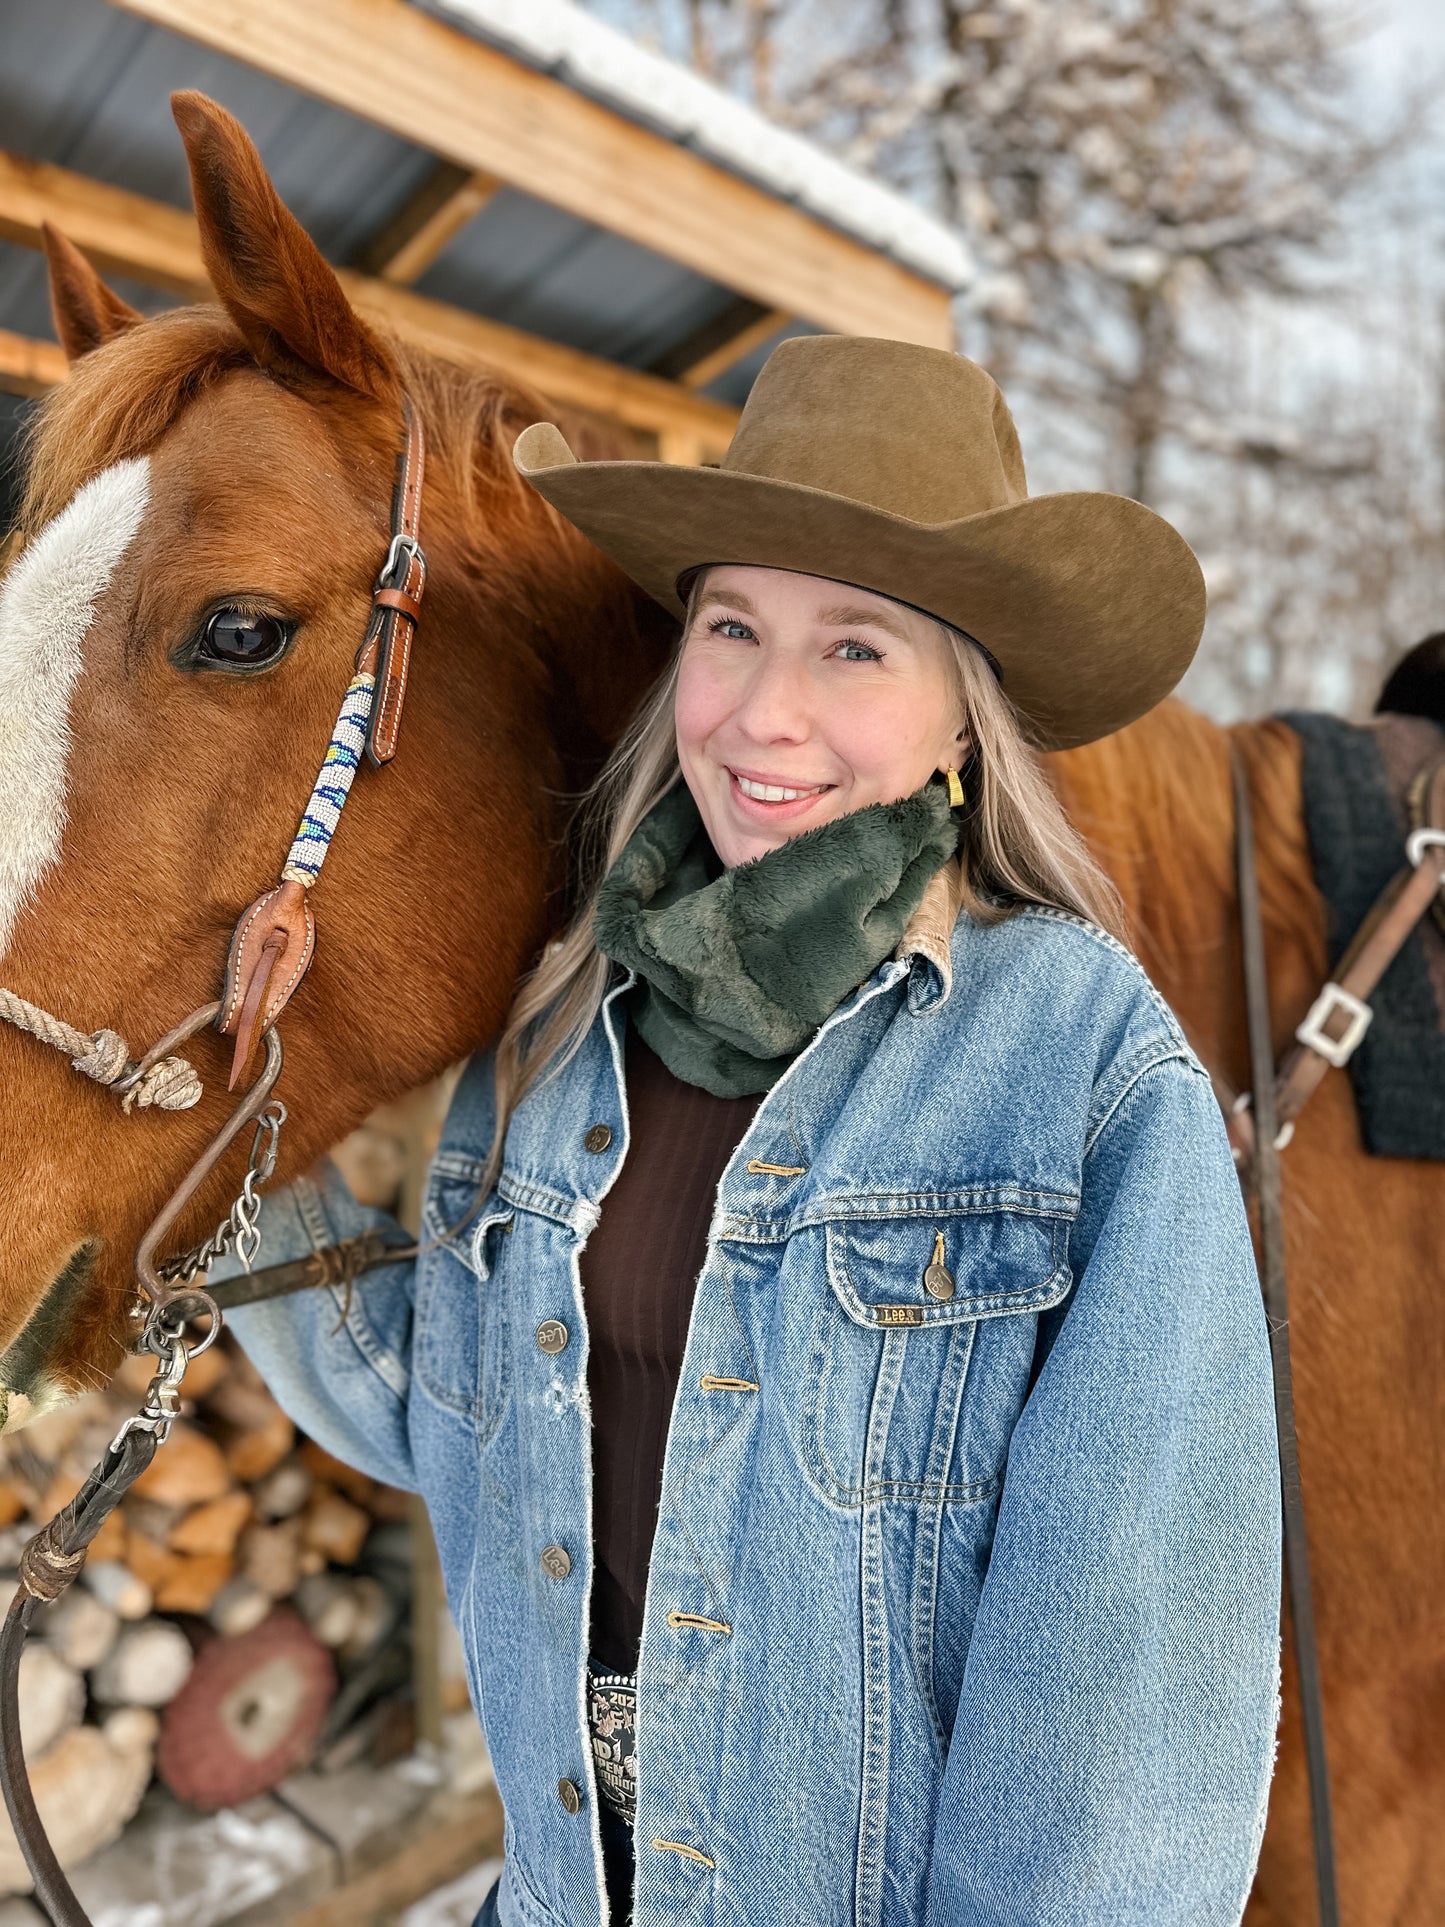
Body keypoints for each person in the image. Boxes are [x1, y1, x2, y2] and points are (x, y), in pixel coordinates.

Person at [218, 336, 1280, 1927]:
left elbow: (1125, 1733)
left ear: (962, 721)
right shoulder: (565, 1029)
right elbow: (456, 1420)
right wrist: (217, 1120)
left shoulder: (1080, 1068)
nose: (763, 715)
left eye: (854, 649)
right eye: (732, 628)